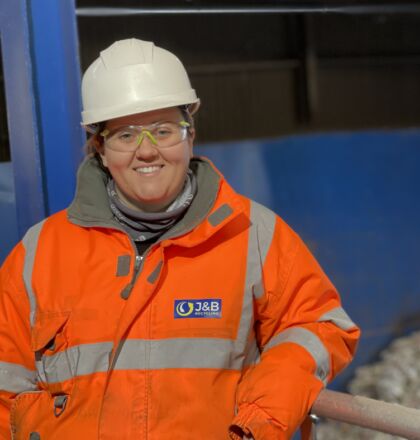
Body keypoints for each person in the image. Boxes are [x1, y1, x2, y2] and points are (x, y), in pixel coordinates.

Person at [0, 38, 359, 439]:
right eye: (125, 135)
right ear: (99, 148)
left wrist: (261, 421)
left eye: (163, 130)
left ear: (190, 134)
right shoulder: (39, 252)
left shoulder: (252, 234)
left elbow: (320, 326)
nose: (147, 151)